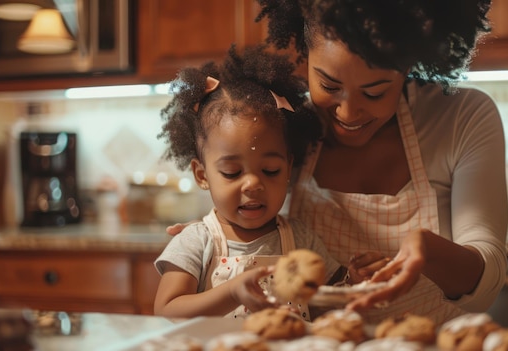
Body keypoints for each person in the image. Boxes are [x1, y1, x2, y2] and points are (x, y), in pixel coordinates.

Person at [169, 0, 508, 325]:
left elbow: (484, 292)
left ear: (406, 67)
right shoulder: (286, 126)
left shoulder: (460, 118)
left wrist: (429, 252)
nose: (347, 113)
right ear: (306, 56)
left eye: (374, 92)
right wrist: (216, 238)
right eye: (329, 85)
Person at [153, 45, 384, 320]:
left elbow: (326, 300)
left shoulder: (300, 239)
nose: (252, 184)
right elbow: (167, 310)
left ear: (288, 167)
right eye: (231, 172)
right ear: (202, 175)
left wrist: (355, 280)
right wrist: (231, 292)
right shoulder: (196, 241)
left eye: (271, 170)